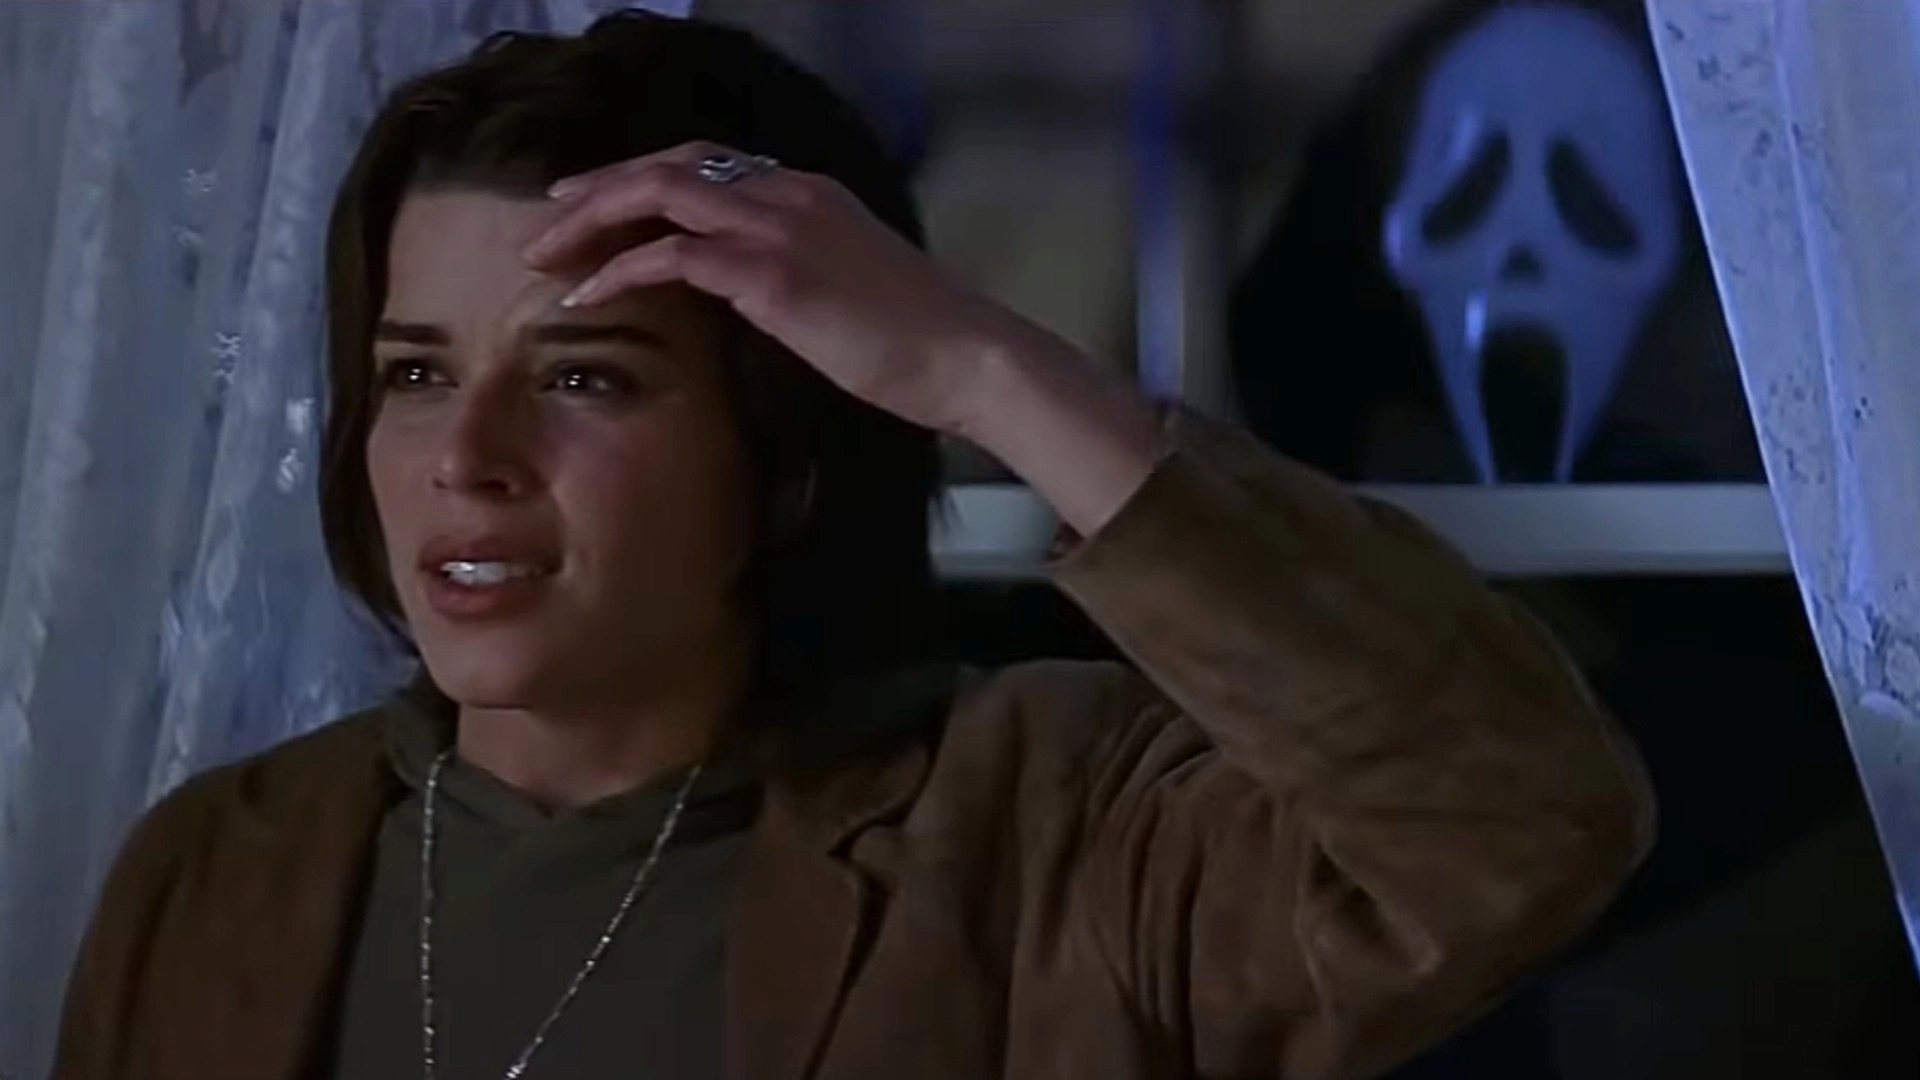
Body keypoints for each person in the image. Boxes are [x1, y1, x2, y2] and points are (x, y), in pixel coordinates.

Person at [52, 12, 1653, 1080]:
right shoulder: (225, 865)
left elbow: (1517, 821)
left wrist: (980, 367)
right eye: (415, 375)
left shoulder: (1047, 834)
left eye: (583, 377)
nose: (465, 460)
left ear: (782, 444)